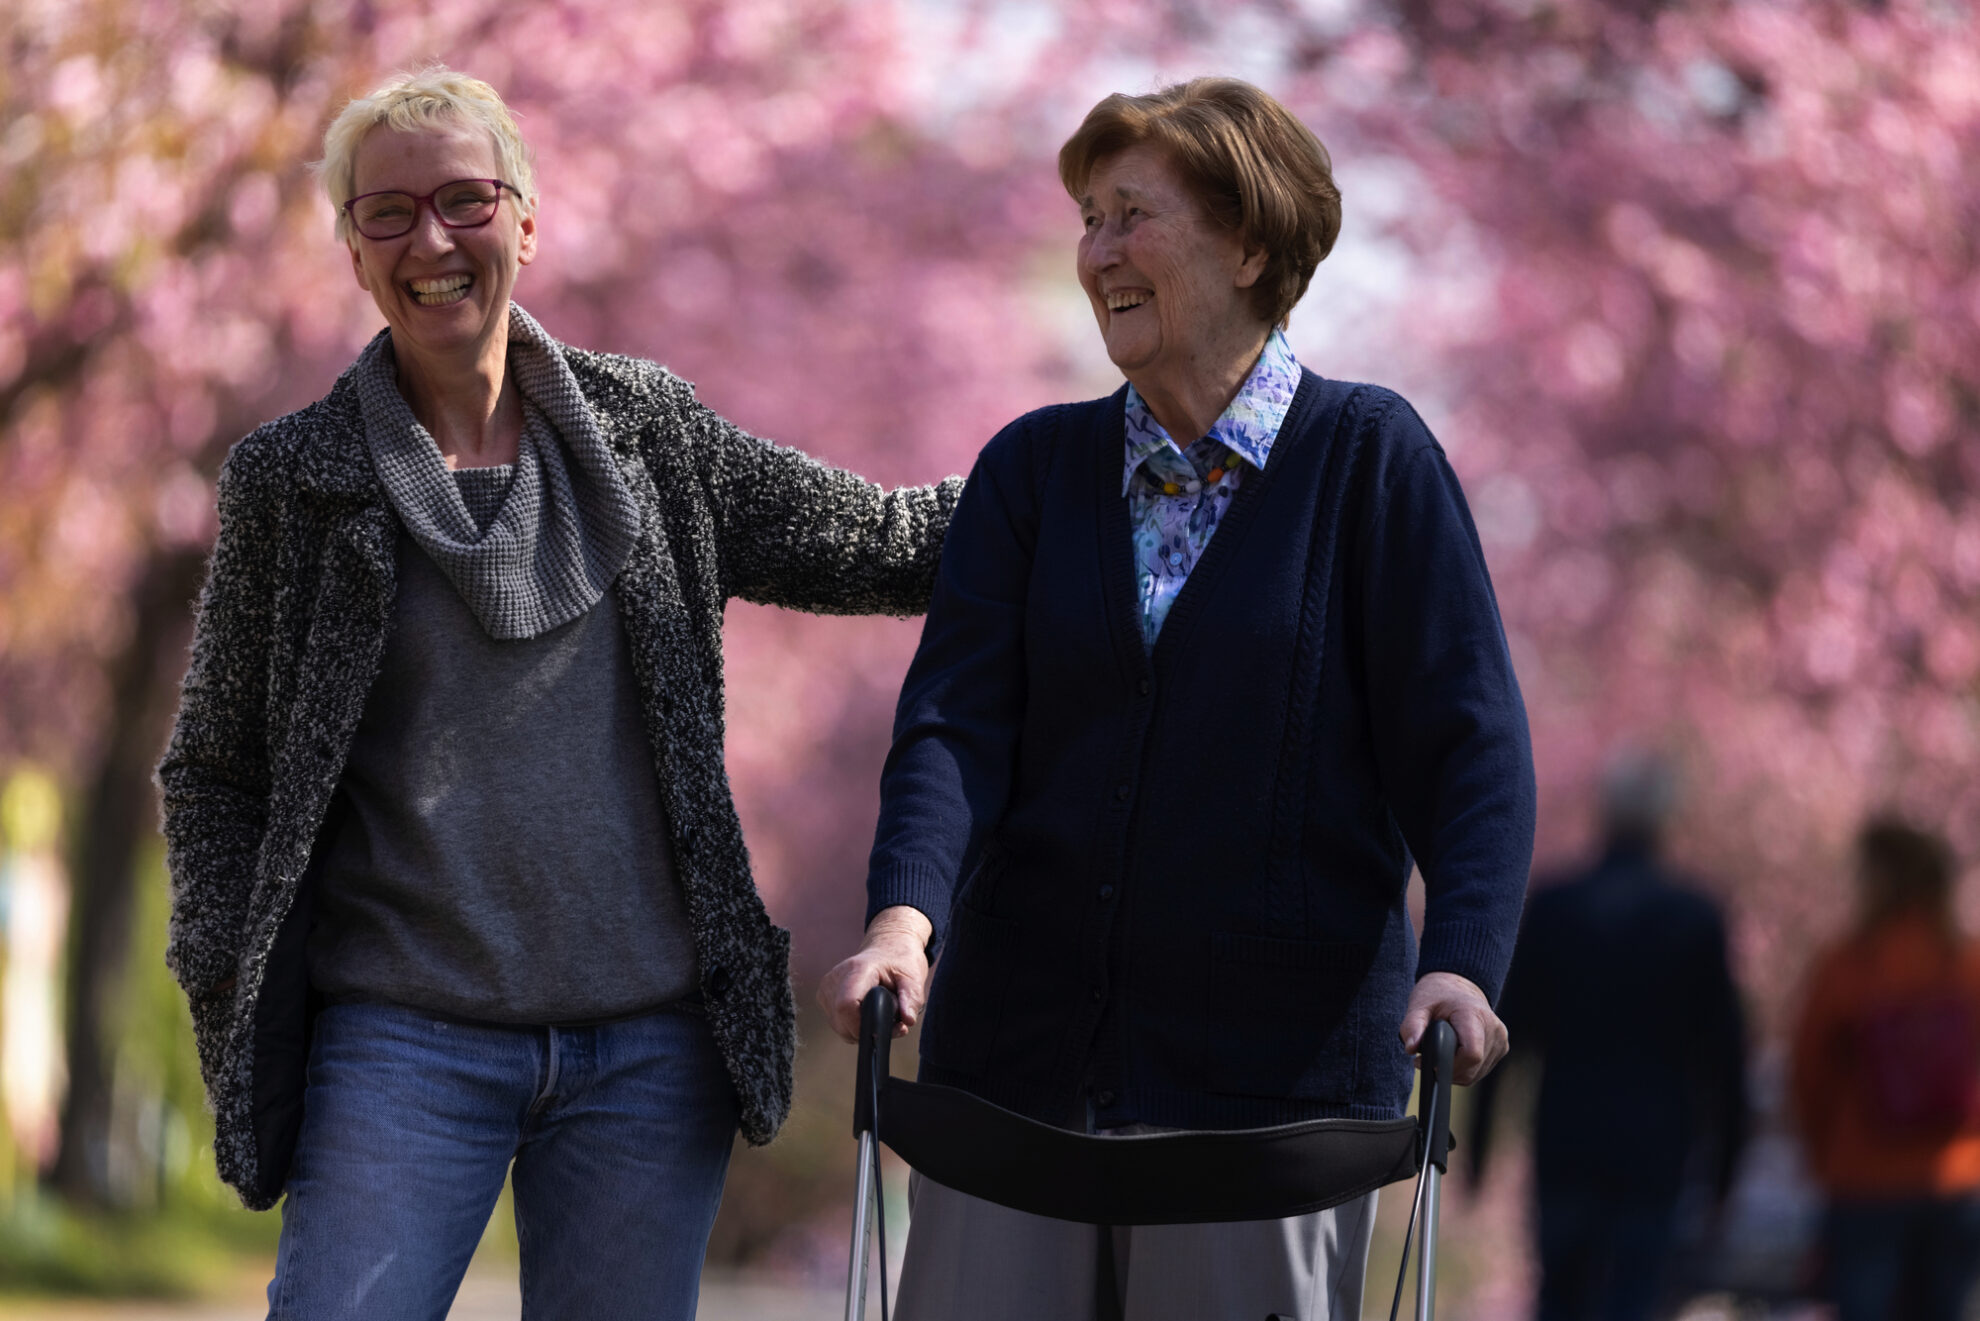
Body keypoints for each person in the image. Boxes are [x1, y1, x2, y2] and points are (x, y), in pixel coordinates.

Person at [155, 67, 959, 1321]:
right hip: (400, 1043)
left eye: (465, 201)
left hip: (649, 1052)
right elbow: (214, 768)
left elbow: (879, 541)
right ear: (354, 251)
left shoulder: (653, 435)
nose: (431, 240)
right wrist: (223, 968)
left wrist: (1082, 472)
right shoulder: (294, 481)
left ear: (525, 222)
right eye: (387, 213)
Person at [819, 77, 1535, 1321]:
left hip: (1270, 1114)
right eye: (1089, 220)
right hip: (1016, 1091)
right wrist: (901, 921)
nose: (1098, 253)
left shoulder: (1371, 461)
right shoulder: (1031, 471)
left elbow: (1469, 748)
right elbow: (953, 728)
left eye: (1133, 216)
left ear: (1249, 244)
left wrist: (1463, 965)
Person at [1471, 751, 1748, 1321]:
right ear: (1665, 818)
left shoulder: (1555, 906)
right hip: (1656, 1146)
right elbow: (1725, 1057)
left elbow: (1508, 1035)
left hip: (1566, 1138)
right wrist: (1725, 1173)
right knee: (1636, 1300)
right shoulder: (1694, 916)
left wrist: (1477, 1149)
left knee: (1560, 1298)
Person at [1790, 818, 1980, 1321]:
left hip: (1865, 1174)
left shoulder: (1849, 965)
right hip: (1957, 1176)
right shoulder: (1967, 964)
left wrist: (1824, 1154)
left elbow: (1808, 1074)